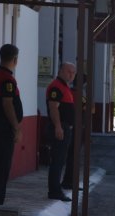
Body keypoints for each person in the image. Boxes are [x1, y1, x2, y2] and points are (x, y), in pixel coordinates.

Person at [0, 44, 23, 205]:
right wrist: (16, 128)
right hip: (3, 131)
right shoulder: (7, 80)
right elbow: (7, 104)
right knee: (1, 168)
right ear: (15, 60)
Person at [46, 62, 76, 201]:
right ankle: (54, 191)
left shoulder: (65, 87)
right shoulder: (56, 86)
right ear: (61, 71)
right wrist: (58, 126)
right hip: (60, 128)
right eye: (69, 71)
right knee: (57, 161)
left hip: (65, 128)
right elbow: (53, 108)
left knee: (60, 160)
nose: (71, 75)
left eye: (73, 73)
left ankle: (57, 189)